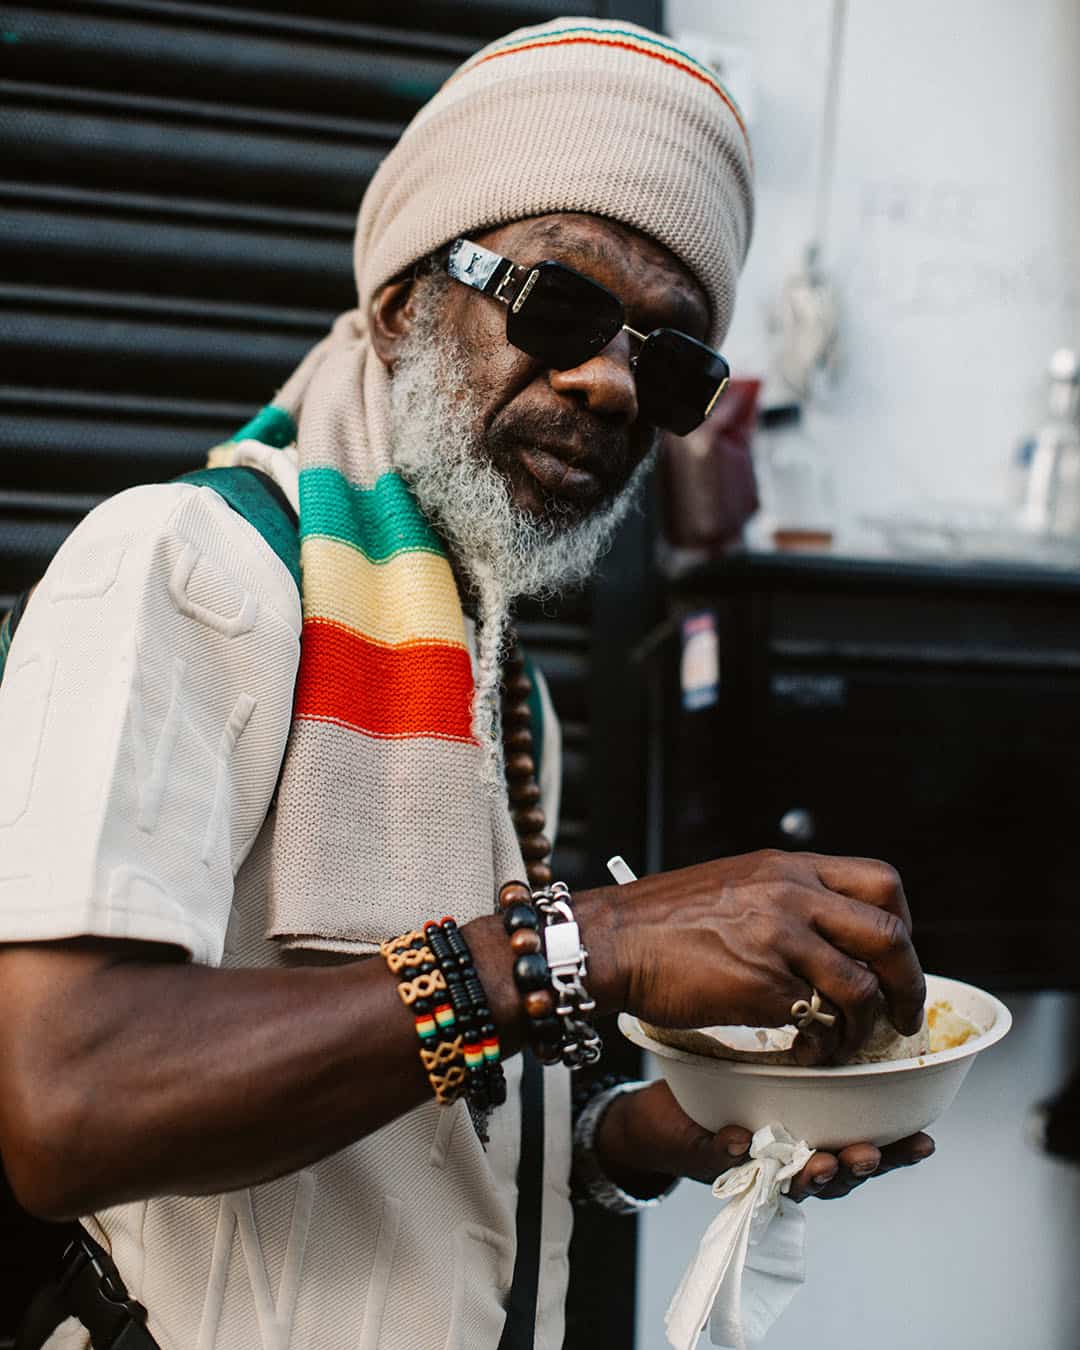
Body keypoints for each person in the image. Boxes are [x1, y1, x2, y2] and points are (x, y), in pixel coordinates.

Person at [0, 17, 932, 1349]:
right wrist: (587, 948)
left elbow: (427, 1150)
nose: (610, 381)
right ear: (401, 303)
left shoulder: (492, 683)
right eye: (560, 305)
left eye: (668, 359)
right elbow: (63, 1099)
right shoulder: (187, 566)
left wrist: (669, 1132)